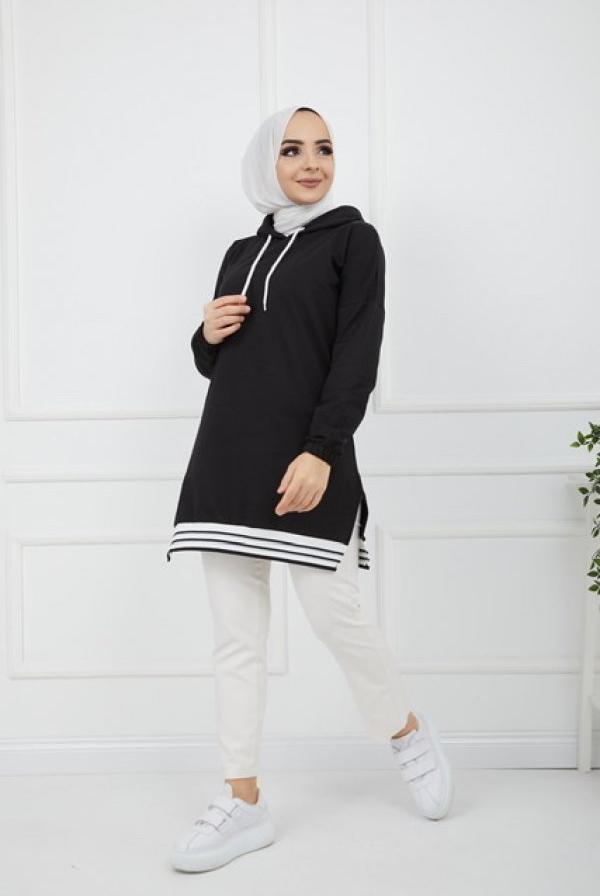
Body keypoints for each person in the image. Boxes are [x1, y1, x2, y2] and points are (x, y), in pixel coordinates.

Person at [168, 105, 454, 874]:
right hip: (226, 461)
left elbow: (357, 352)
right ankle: (243, 798)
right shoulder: (240, 252)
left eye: (323, 148)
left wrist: (323, 450)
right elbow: (220, 363)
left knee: (336, 617)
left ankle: (405, 731)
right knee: (236, 637)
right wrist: (204, 334)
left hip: (308, 460)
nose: (311, 162)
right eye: (292, 149)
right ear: (266, 161)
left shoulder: (354, 241)